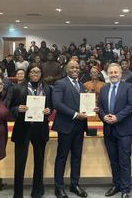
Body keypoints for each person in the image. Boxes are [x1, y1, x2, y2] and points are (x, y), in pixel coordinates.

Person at [8, 65, 52, 198]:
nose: (35, 73)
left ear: (41, 74)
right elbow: (9, 108)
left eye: (38, 72)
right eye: (32, 71)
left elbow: (51, 105)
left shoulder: (47, 88)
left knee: (39, 162)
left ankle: (37, 192)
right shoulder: (17, 88)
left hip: (40, 128)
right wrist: (17, 109)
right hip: (23, 127)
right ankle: (18, 194)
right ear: (28, 73)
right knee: (20, 163)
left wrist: (48, 110)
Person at [52, 60, 91, 198]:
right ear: (67, 69)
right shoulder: (60, 83)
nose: (75, 69)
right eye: (72, 67)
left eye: (77, 67)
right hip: (65, 126)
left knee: (76, 157)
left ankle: (74, 184)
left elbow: (85, 104)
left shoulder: (81, 85)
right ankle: (59, 187)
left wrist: (92, 109)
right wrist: (75, 114)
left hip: (79, 127)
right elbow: (57, 104)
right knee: (62, 157)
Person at [99, 63, 132, 198]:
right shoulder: (103, 89)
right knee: (113, 160)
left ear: (121, 74)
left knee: (124, 160)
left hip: (124, 129)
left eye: (116, 72)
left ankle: (126, 190)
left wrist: (117, 117)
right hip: (109, 129)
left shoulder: (129, 87)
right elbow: (100, 107)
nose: (113, 75)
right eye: (111, 73)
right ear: (107, 74)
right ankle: (116, 185)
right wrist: (103, 116)